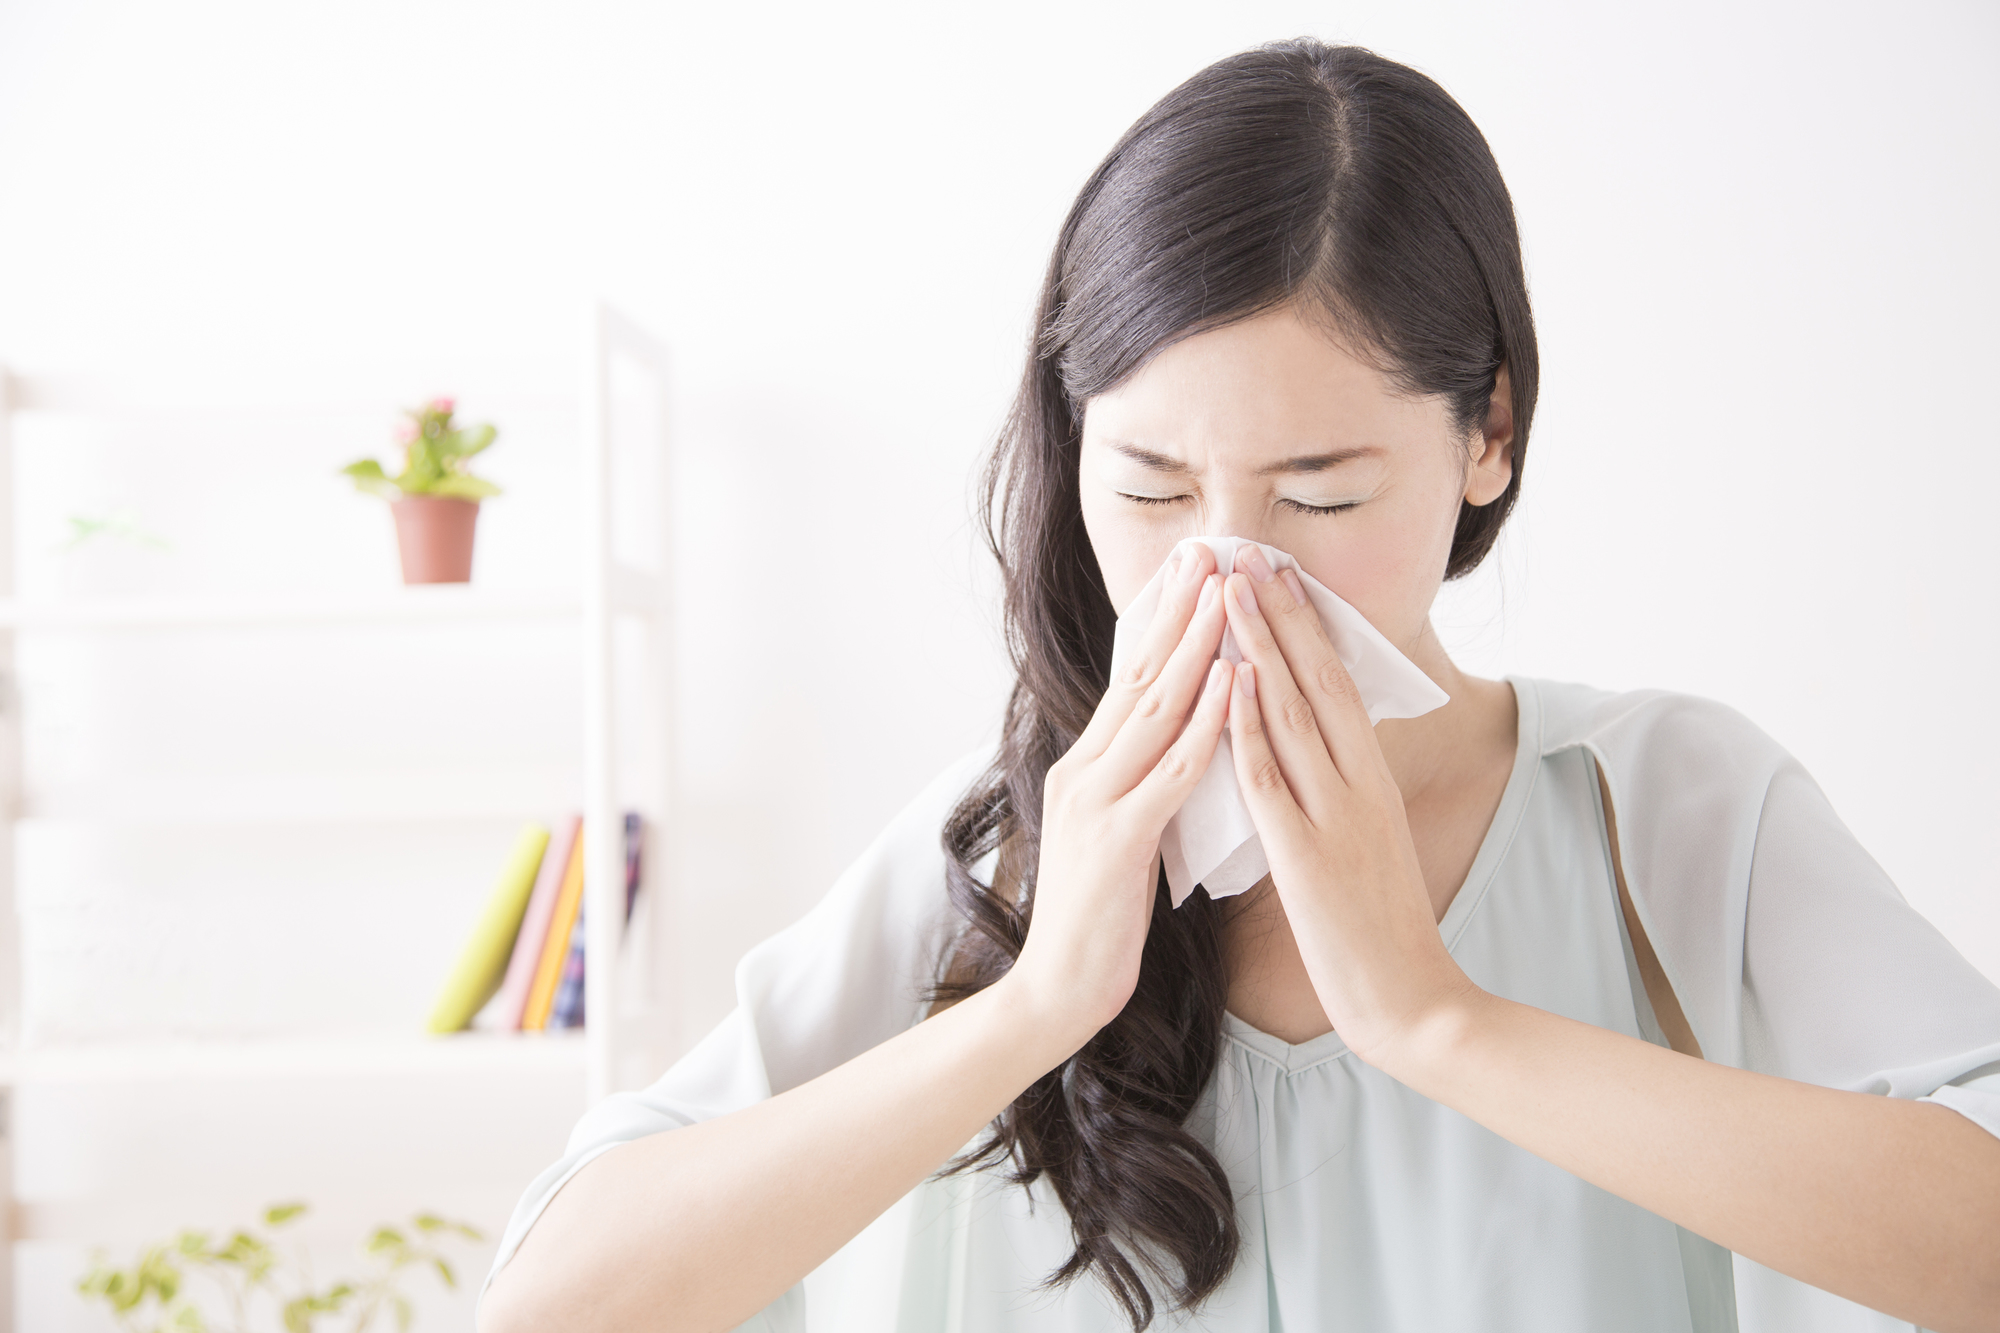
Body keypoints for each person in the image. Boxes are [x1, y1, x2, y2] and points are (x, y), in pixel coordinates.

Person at [476, 39, 2000, 1333]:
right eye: (1149, 489)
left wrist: (1434, 1014)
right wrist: (1037, 1002)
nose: (1227, 573)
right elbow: (550, 1296)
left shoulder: (1660, 805)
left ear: (1489, 437)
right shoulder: (1002, 851)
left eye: (1321, 496)